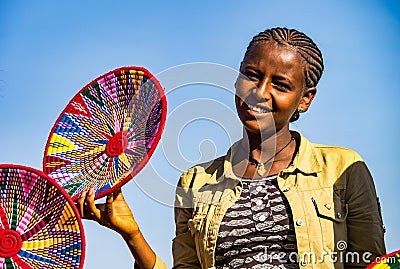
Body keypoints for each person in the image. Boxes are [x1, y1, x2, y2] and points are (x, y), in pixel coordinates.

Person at [77, 27, 386, 269]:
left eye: (280, 84)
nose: (259, 92)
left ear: (305, 99)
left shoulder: (341, 170)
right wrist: (132, 234)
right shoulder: (195, 183)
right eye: (251, 76)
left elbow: (374, 264)